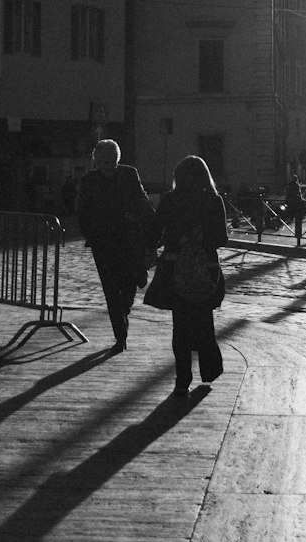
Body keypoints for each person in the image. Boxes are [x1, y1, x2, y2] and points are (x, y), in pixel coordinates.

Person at [154, 155, 227, 397]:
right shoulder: (213, 201)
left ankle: (182, 379)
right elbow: (221, 239)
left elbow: (156, 231)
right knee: (204, 323)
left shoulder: (169, 200)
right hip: (206, 268)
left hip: (175, 269)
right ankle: (209, 369)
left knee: (180, 326)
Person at [76, 139, 155, 352]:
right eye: (104, 162)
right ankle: (120, 337)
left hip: (129, 241)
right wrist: (92, 232)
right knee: (111, 291)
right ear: (96, 162)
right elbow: (83, 211)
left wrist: (147, 224)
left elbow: (141, 201)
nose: (109, 167)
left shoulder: (129, 174)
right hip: (104, 244)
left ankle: (123, 314)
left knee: (128, 288)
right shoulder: (89, 180)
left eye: (112, 162)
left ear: (117, 160)